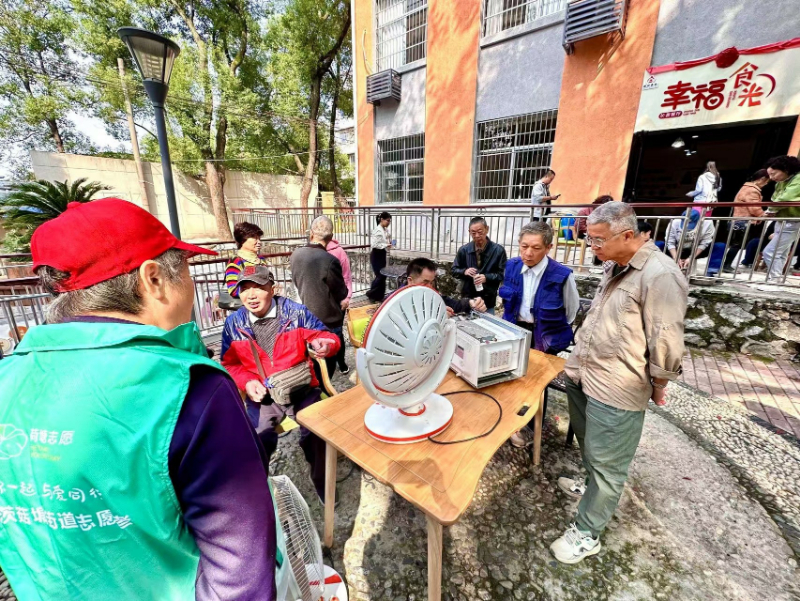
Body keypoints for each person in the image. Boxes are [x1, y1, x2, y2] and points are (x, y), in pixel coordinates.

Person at [0, 199, 277, 599]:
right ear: (153, 279)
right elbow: (238, 562)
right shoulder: (188, 386)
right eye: (185, 268)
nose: (192, 283)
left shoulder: (8, 377)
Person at [551, 202, 687, 565]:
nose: (591, 246)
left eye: (598, 240)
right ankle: (590, 486)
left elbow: (666, 337)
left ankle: (587, 532)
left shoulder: (660, 274)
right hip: (585, 373)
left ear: (627, 235)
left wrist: (660, 383)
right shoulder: (616, 264)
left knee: (608, 463)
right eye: (589, 238)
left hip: (617, 385)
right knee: (589, 444)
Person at [221, 266, 340, 504]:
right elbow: (229, 364)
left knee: (317, 435)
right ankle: (258, 496)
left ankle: (324, 484)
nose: (251, 295)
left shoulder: (296, 313)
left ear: (273, 289)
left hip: (300, 387)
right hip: (264, 393)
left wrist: (326, 345)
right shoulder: (233, 324)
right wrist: (248, 381)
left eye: (258, 287)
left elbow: (327, 337)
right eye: (245, 289)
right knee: (255, 439)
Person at [498, 221, 579, 448]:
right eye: (524, 246)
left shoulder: (562, 275)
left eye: (536, 248)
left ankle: (532, 426)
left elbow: (571, 312)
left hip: (544, 335)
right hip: (515, 330)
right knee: (509, 377)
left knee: (536, 383)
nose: (528, 253)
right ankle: (511, 423)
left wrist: (549, 333)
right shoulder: (512, 266)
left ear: (548, 247)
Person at [290, 216, 349, 376]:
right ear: (330, 238)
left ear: (311, 234)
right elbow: (341, 292)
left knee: (312, 361)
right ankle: (326, 387)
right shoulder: (330, 260)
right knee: (327, 364)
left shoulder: (296, 255)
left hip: (306, 316)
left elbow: (297, 282)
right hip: (328, 320)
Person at [452, 217, 507, 314]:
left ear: (487, 229)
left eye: (480, 232)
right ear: (469, 232)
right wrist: (464, 271)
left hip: (487, 299)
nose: (477, 236)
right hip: (468, 299)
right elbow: (454, 270)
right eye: (473, 233)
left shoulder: (498, 251)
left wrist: (486, 277)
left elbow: (502, 274)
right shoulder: (464, 250)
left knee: (486, 322)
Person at [762, 155, 800, 281]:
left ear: (786, 170)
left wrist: (771, 210)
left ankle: (775, 279)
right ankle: (776, 279)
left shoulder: (798, 179)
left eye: (773, 174)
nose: (771, 178)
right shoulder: (780, 183)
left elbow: (785, 198)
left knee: (770, 252)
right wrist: (773, 209)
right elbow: (775, 198)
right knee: (781, 253)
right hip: (782, 220)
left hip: (793, 221)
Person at [722, 169, 769, 273]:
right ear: (762, 179)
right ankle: (726, 265)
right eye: (766, 181)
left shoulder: (745, 187)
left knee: (736, 244)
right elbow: (754, 207)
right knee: (737, 245)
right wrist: (763, 215)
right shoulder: (752, 190)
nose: (766, 184)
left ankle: (726, 265)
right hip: (743, 221)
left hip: (738, 219)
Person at [405, 257, 487, 315]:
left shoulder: (432, 295)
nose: (430, 287)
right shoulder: (398, 301)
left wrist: (471, 303)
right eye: (425, 282)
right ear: (410, 281)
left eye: (432, 282)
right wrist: (437, 317)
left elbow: (454, 305)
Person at [326, 235, 353, 372]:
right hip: (322, 301)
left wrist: (347, 297)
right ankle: (329, 365)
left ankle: (340, 363)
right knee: (325, 333)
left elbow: (346, 276)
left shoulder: (338, 251)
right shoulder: (313, 251)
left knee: (336, 332)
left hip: (337, 300)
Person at [225, 221, 268, 297]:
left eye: (259, 238)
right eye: (255, 238)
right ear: (242, 240)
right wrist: (258, 291)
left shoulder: (261, 259)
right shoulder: (236, 261)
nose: (259, 242)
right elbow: (233, 290)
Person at [367, 211, 393, 302]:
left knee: (383, 275)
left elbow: (384, 241)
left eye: (389, 221)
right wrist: (386, 245)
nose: (388, 223)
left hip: (382, 253)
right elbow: (374, 244)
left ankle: (379, 296)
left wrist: (388, 243)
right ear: (382, 219)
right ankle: (371, 294)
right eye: (387, 220)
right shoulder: (378, 230)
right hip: (376, 254)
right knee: (380, 275)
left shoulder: (385, 230)